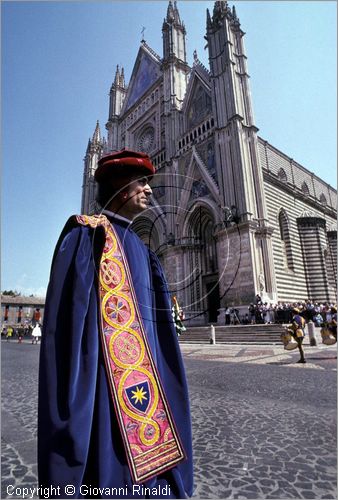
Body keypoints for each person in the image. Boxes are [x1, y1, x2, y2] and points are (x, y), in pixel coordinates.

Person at [38, 150, 193, 499]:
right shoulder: (86, 237)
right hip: (103, 385)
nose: (150, 191)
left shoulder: (143, 249)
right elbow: (70, 324)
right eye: (142, 183)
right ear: (121, 187)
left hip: (144, 389)